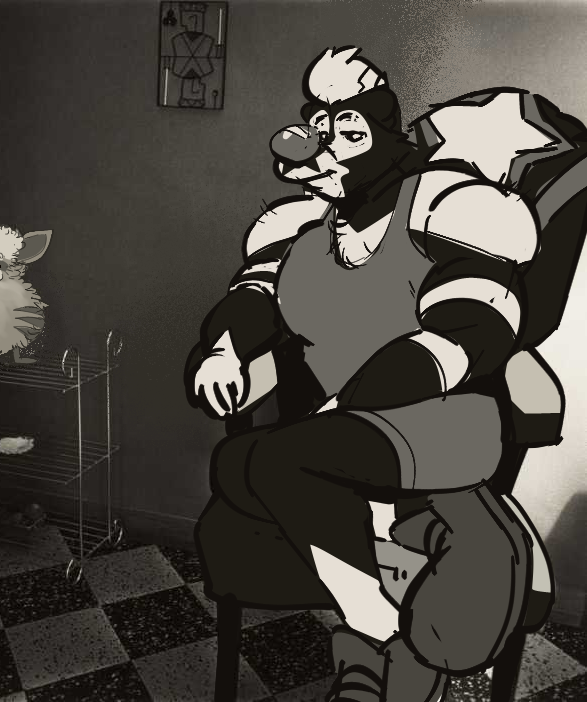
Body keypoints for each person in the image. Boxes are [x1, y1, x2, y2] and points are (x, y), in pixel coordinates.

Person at [184, 46, 552, 700]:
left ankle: (379, 630)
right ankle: (380, 634)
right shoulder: (302, 229)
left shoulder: (441, 205)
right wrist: (225, 351)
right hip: (334, 434)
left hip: (436, 422)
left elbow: (474, 319)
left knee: (269, 461)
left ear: (385, 141)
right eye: (316, 130)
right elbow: (256, 298)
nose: (321, 150)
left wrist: (360, 401)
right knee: (237, 461)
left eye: (348, 133)